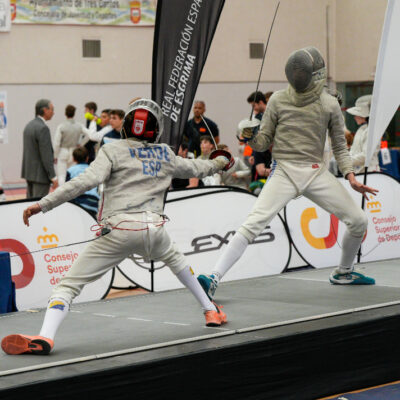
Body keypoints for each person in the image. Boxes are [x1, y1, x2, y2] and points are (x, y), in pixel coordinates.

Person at [1, 99, 229, 355]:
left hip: (119, 229)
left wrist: (43, 204)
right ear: (156, 129)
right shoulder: (165, 153)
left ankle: (45, 337)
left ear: (127, 124)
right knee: (179, 264)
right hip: (154, 229)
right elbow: (198, 167)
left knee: (67, 285)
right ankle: (210, 310)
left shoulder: (112, 150)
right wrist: (221, 161)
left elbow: (83, 182)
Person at [197, 47, 378, 301]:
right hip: (284, 171)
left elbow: (339, 145)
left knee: (358, 220)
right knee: (253, 223)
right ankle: (213, 277)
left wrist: (350, 175)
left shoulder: (329, 103)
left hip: (316, 172)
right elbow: (263, 143)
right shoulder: (278, 100)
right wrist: (249, 135)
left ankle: (344, 272)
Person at [21, 99, 58, 198]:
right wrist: (53, 176)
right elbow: (46, 155)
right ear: (45, 110)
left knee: (29, 203)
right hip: (41, 176)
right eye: (52, 109)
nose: (53, 112)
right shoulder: (43, 128)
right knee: (38, 204)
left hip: (29, 173)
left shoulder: (29, 126)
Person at [53, 105, 88, 185]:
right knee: (73, 174)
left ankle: (62, 192)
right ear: (74, 113)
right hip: (74, 152)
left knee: (62, 176)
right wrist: (81, 144)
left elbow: (56, 143)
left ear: (65, 114)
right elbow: (89, 135)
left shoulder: (61, 126)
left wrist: (55, 155)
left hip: (63, 152)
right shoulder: (79, 125)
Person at [347, 94, 380, 173]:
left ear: (364, 116)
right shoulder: (361, 129)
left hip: (369, 172)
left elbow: (366, 156)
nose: (355, 117)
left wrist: (347, 160)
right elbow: (354, 150)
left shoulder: (372, 131)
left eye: (357, 114)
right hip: (358, 171)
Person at [66, 147, 99, 219]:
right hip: (94, 203)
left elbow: (67, 190)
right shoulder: (94, 170)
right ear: (87, 158)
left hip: (79, 202)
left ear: (73, 159)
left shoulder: (71, 171)